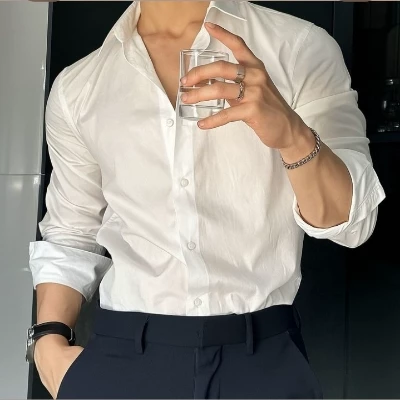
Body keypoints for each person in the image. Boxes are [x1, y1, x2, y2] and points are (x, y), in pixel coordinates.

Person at [27, 1, 385, 399]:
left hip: (261, 357)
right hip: (122, 356)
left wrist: (292, 134)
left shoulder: (298, 47)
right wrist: (48, 342)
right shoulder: (79, 86)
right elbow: (72, 228)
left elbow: (352, 223)